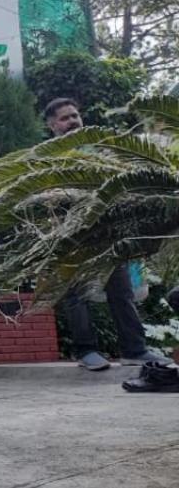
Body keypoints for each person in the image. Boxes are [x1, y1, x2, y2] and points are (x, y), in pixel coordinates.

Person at [43, 97, 176, 391]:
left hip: (107, 232)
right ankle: (85, 350)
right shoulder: (48, 156)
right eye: (65, 118)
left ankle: (134, 349)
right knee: (75, 295)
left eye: (75, 115)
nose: (73, 121)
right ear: (52, 125)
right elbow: (47, 194)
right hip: (69, 234)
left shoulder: (100, 148)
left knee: (121, 291)